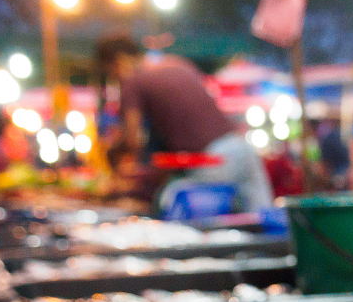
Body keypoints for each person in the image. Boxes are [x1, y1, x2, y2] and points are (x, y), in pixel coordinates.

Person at [95, 35, 273, 213]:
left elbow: (132, 140)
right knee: (266, 221)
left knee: (180, 216)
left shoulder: (134, 82)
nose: (115, 78)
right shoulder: (177, 64)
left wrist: (111, 155)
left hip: (210, 160)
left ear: (119, 61)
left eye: (111, 72)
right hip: (241, 147)